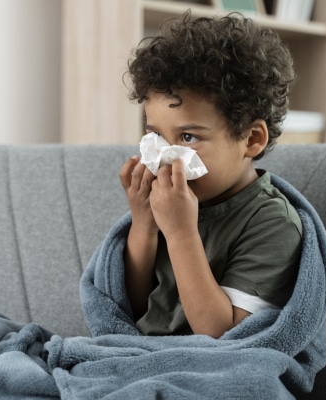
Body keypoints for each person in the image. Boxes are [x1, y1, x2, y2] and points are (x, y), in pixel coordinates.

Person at [119, 11, 301, 338]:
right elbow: (130, 308)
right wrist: (143, 224)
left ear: (252, 139)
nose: (166, 157)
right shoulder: (170, 200)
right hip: (140, 353)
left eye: (188, 138)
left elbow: (224, 335)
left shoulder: (272, 222)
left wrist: (180, 233)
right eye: (158, 137)